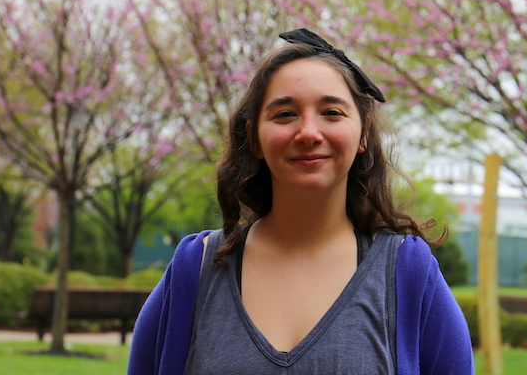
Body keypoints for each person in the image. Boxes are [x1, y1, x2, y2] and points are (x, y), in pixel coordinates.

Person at [127, 29, 474, 375]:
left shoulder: (409, 273)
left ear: (363, 134)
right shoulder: (195, 269)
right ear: (254, 139)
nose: (309, 133)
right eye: (285, 114)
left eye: (332, 112)